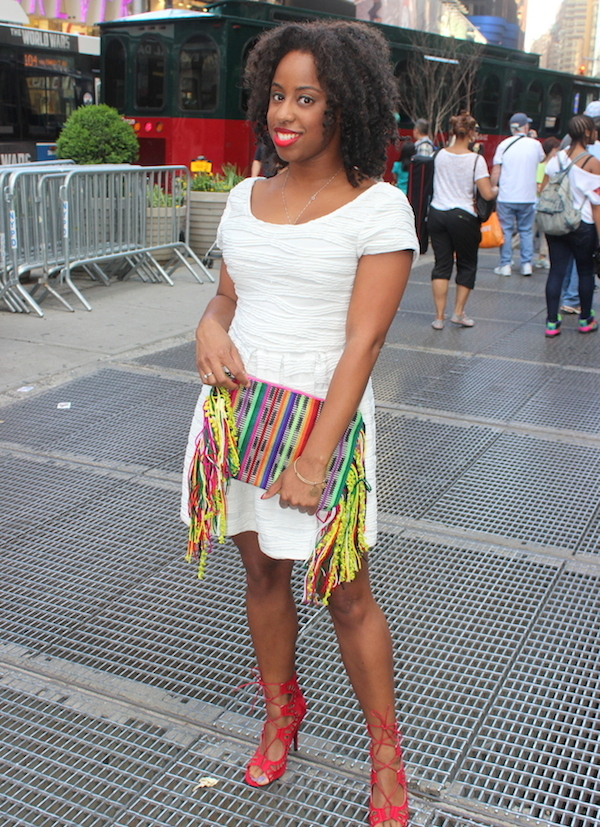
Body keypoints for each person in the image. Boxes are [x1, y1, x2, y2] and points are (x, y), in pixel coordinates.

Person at [181, 19, 418, 827]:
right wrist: (208, 328)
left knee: (348, 595)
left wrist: (316, 459)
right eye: (277, 95)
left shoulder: (379, 208)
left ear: (343, 108)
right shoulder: (246, 196)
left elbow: (366, 341)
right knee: (262, 576)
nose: (286, 113)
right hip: (235, 417)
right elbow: (226, 296)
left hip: (327, 426)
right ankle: (283, 709)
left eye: (306, 98)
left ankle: (386, 756)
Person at [427, 112, 497, 329]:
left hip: (437, 213)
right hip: (463, 216)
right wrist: (495, 189)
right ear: (471, 133)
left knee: (442, 265)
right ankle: (458, 313)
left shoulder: (438, 155)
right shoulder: (476, 160)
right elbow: (486, 194)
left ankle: (439, 317)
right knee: (466, 264)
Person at [541, 114, 600, 337]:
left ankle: (551, 323)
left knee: (556, 271)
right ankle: (585, 319)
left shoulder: (555, 159)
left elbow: (543, 189)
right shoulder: (593, 163)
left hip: (556, 223)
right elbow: (597, 205)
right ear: (586, 133)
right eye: (594, 130)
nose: (596, 133)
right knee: (585, 272)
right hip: (582, 225)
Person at [491, 112, 544, 277]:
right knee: (526, 231)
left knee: (506, 230)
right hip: (528, 196)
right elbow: (541, 160)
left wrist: (493, 187)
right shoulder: (535, 145)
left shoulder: (503, 145)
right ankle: (526, 264)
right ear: (525, 127)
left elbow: (496, 170)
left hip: (507, 195)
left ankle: (505, 264)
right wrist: (533, 138)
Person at [533, 136, 560, 270]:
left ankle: (542, 257)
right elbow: (539, 186)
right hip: (538, 204)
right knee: (528, 233)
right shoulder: (542, 166)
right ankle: (508, 247)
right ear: (552, 150)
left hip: (546, 204)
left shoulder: (551, 165)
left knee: (544, 232)